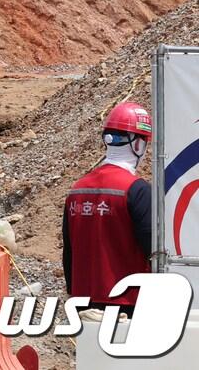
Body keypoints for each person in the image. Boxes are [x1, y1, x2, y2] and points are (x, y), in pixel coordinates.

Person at [62, 101, 154, 310]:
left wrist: (71, 291)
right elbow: (153, 251)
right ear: (138, 145)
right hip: (127, 303)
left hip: (83, 302)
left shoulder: (77, 189)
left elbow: (69, 251)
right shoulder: (137, 190)